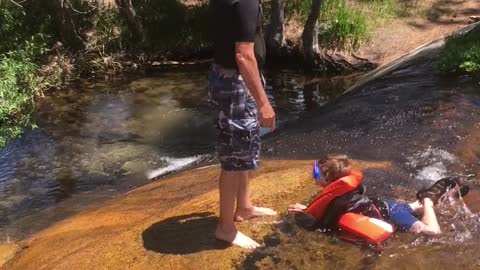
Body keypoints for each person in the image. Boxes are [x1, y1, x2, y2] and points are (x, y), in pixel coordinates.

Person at [208, 0, 277, 249]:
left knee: (242, 149)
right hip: (235, 85)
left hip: (224, 78)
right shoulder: (246, 2)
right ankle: (226, 228)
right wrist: (263, 103)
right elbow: (243, 55)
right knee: (235, 158)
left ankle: (244, 207)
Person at [288, 155, 469, 236]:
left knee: (432, 233)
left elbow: (324, 225)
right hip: (384, 207)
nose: (313, 179)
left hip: (391, 212)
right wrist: (308, 209)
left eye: (316, 175)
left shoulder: (340, 198)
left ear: (329, 180)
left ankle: (428, 200)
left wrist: (305, 214)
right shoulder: (342, 193)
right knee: (410, 208)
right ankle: (421, 202)